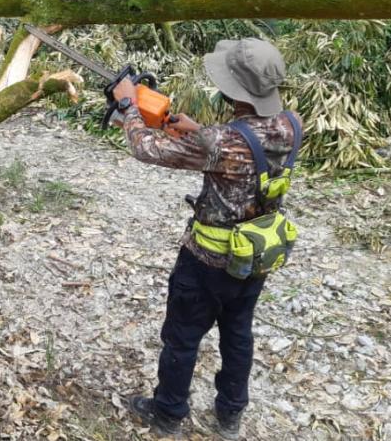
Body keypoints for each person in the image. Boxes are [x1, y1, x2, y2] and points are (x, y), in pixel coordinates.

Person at [113, 38, 303, 440]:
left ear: (234, 88)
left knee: (182, 336)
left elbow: (144, 147)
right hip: (254, 257)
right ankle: (231, 413)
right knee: (238, 334)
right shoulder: (291, 124)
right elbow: (247, 153)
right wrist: (198, 132)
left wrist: (129, 105)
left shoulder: (220, 142)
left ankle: (167, 412)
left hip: (207, 260)